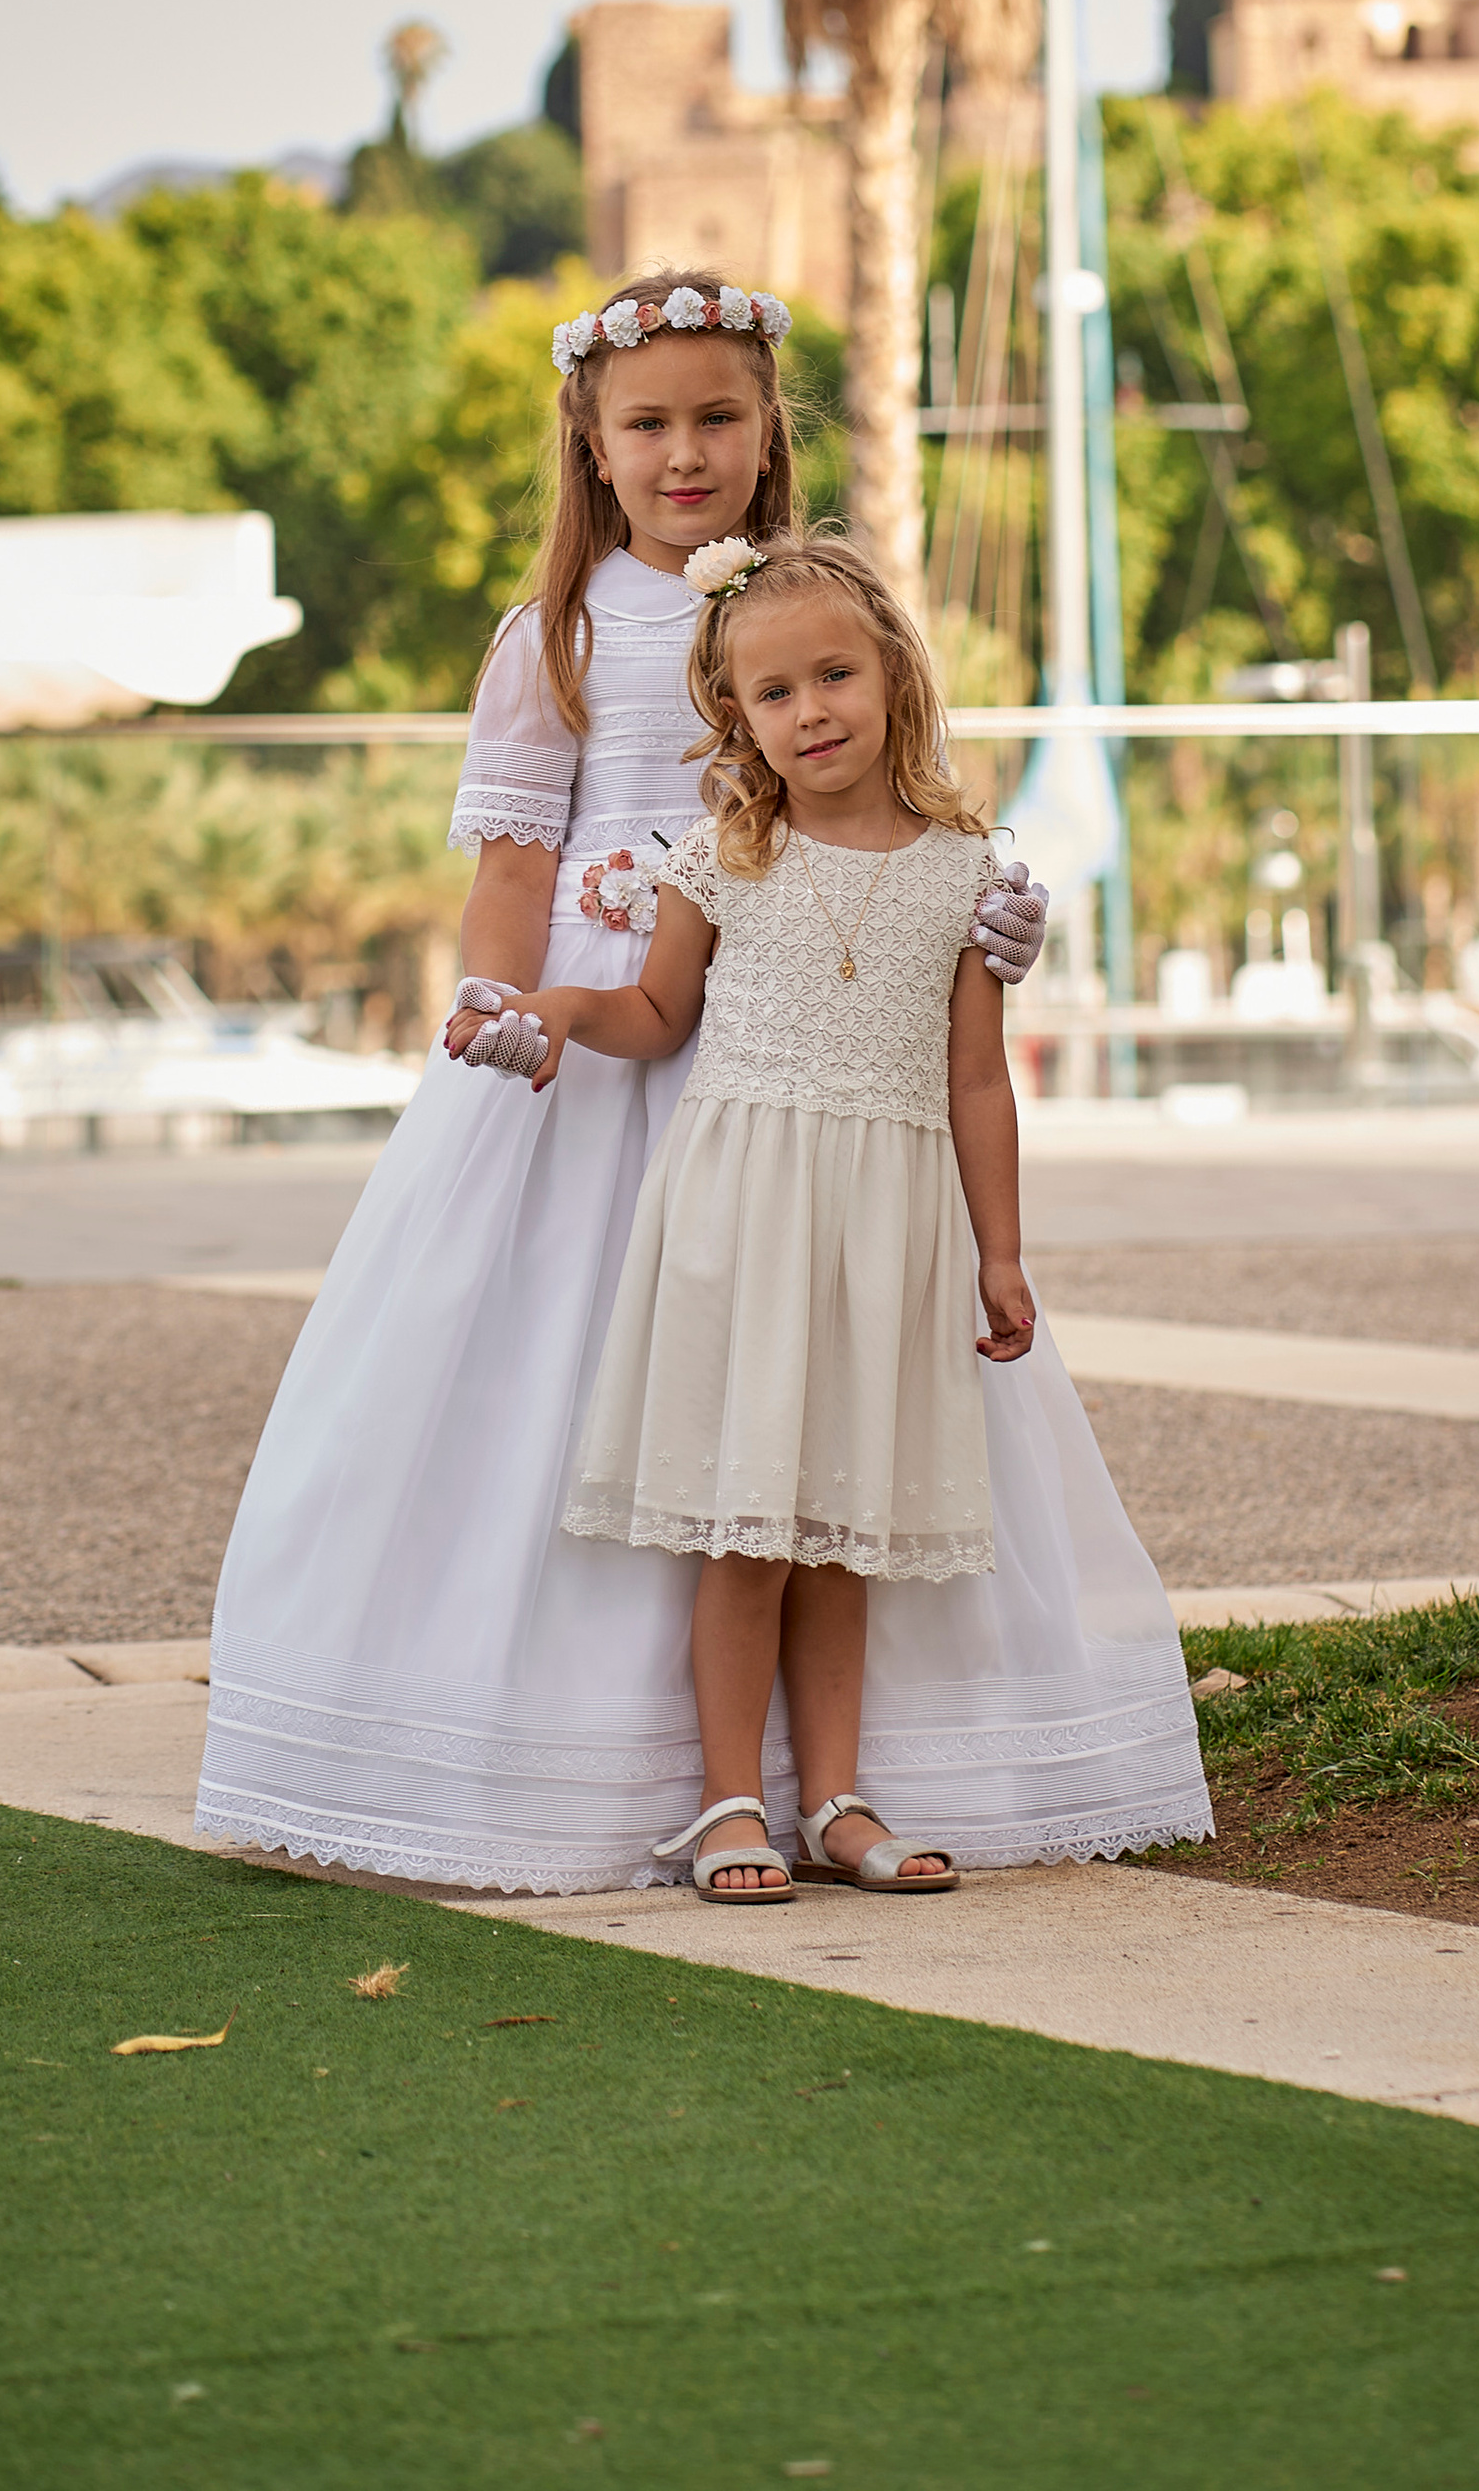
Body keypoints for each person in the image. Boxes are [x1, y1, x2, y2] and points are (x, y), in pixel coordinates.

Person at [196, 268, 1208, 1892]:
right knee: (581, 1395)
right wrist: (503, 1010)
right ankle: (613, 1770)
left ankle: (848, 1775)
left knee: (823, 1421)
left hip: (805, 1083)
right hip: (621, 1038)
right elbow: (521, 870)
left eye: (719, 418)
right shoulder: (563, 637)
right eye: (648, 424)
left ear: (769, 432)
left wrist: (992, 912)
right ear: (590, 445)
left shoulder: (822, 617)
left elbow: (892, 823)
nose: (686, 453)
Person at [487, 531, 1034, 1899]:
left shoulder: (969, 873)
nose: (814, 713)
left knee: (841, 1529)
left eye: (836, 675)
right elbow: (654, 1013)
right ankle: (732, 1799)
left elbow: (976, 1079)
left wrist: (1003, 1254)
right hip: (741, 1223)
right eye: (776, 695)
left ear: (896, 676)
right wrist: (554, 1014)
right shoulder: (721, 854)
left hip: (885, 1234)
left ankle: (837, 1799)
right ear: (739, 717)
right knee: (747, 1527)